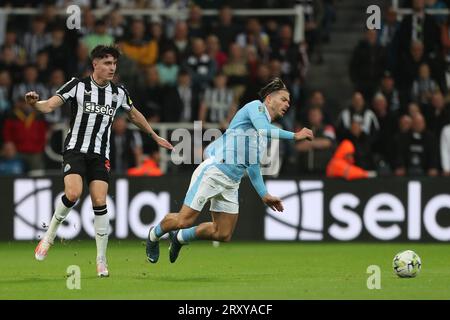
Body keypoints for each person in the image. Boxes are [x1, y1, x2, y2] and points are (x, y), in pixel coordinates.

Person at [25, 45, 173, 277]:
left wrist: (154, 136)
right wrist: (35, 103)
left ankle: (101, 260)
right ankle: (48, 237)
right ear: (95, 64)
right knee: (73, 194)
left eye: (114, 64)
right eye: (107, 63)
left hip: (100, 154)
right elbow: (50, 105)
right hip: (75, 149)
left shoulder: (118, 92)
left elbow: (134, 115)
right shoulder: (77, 85)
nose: (112, 68)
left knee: (100, 201)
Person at [145, 78, 314, 264]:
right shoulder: (255, 108)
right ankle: (153, 236)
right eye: (283, 99)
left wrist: (264, 194)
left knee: (222, 233)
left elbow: (252, 164)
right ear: (269, 99)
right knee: (184, 219)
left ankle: (179, 238)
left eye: (289, 101)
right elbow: (265, 129)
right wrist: (296, 135)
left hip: (232, 182)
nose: (287, 104)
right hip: (214, 171)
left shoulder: (262, 135)